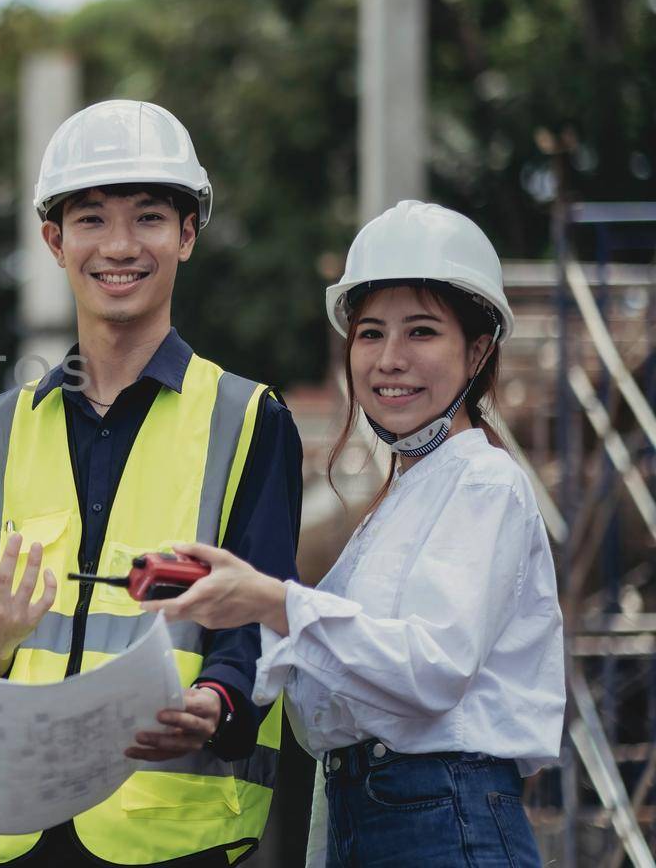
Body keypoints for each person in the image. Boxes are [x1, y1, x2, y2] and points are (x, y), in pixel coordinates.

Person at [0, 99, 303, 866]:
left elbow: (263, 624)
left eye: (150, 218)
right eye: (91, 219)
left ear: (188, 234)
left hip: (171, 836)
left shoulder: (248, 420)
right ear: (54, 242)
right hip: (12, 833)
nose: (120, 245)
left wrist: (218, 700)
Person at [144, 200, 565, 868]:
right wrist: (218, 695)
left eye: (422, 332)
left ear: (478, 349)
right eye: (370, 334)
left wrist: (269, 601)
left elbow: (431, 669)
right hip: (367, 812)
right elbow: (329, 699)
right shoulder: (400, 502)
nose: (389, 360)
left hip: (444, 818)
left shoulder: (484, 482)